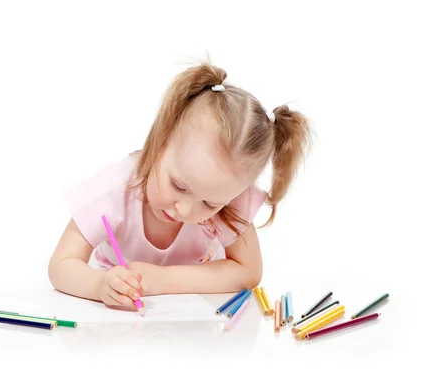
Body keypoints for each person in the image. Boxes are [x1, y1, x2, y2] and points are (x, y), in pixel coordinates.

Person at [48, 61, 312, 312]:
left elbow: (248, 271)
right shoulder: (115, 190)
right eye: (178, 185)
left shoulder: (228, 198)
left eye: (209, 204)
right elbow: (61, 265)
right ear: (160, 141)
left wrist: (162, 280)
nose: (184, 210)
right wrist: (99, 285)